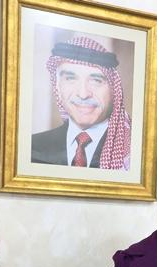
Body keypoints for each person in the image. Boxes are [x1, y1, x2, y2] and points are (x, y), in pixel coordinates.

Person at [32, 36, 131, 170]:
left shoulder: (133, 151)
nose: (83, 94)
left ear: (113, 89)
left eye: (96, 80)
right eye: (70, 79)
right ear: (58, 86)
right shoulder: (33, 147)